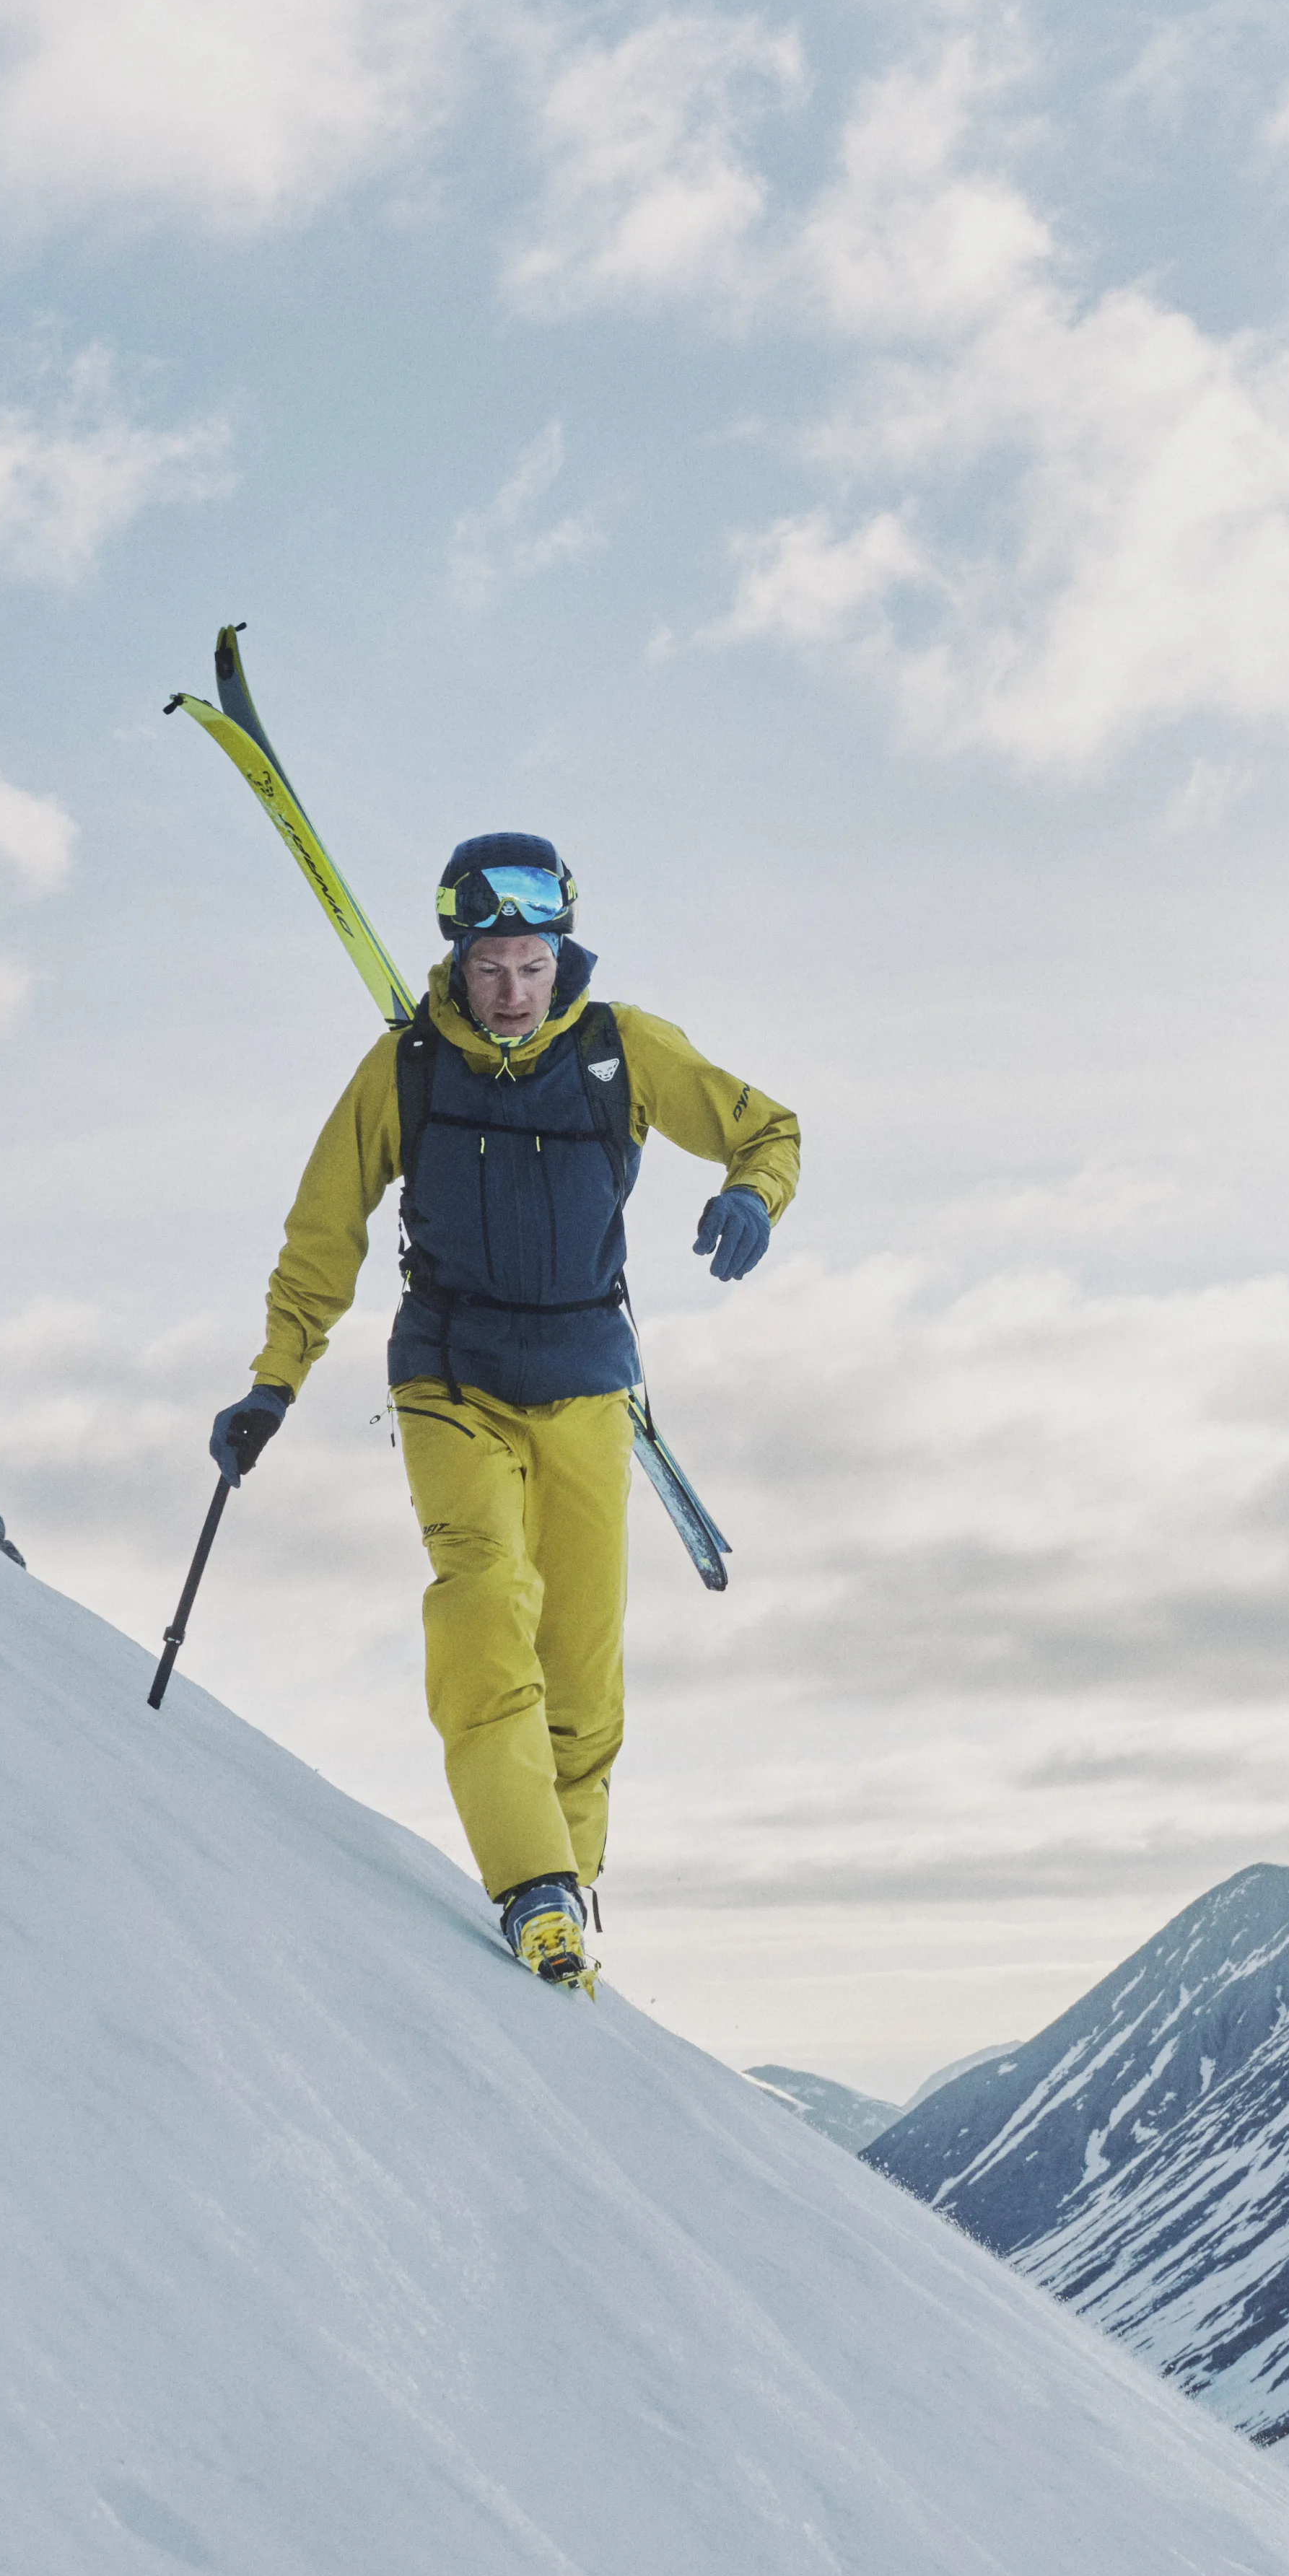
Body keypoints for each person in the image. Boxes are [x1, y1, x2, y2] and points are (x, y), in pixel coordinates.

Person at [211, 834, 799, 1994]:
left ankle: (568, 1909)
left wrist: (751, 1194)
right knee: (485, 1609)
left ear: (561, 951)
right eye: (492, 969)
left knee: (582, 1679)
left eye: (533, 965)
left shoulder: (623, 1049)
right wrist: (276, 1378)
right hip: (451, 1377)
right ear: (458, 958)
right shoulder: (408, 1069)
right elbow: (324, 1229)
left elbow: (766, 1127)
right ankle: (528, 1884)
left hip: (586, 1383)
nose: (515, 992)